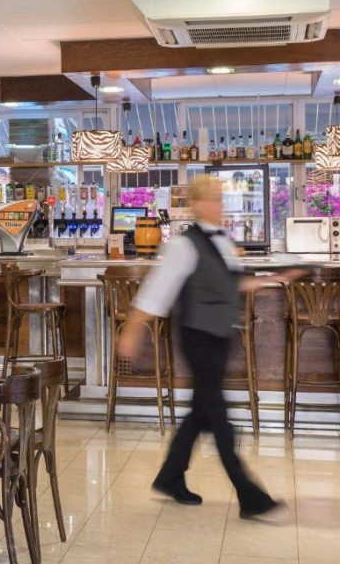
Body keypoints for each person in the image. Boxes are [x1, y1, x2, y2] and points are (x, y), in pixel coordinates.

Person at [117, 175, 301, 520]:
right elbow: (156, 291)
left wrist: (275, 279)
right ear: (198, 204)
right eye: (214, 199)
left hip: (220, 336)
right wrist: (132, 329)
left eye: (221, 198)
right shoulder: (183, 246)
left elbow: (233, 283)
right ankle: (250, 496)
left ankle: (170, 476)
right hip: (197, 336)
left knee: (201, 411)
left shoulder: (221, 240)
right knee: (218, 416)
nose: (221, 205)